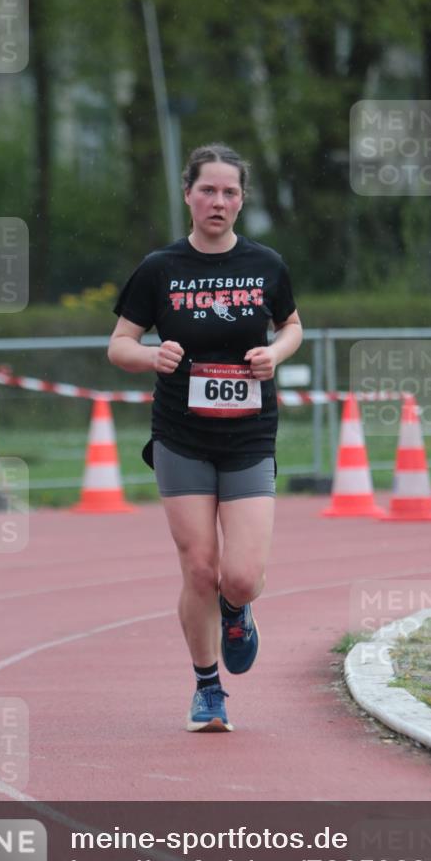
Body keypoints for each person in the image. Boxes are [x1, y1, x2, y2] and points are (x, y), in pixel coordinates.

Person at [108, 143, 303, 732]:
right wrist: (151, 356)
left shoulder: (266, 264)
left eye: (230, 192)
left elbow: (292, 326)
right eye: (208, 190)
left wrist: (275, 353)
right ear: (188, 195)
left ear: (242, 201)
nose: (218, 201)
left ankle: (236, 610)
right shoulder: (159, 268)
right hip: (181, 435)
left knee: (240, 576)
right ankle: (207, 687)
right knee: (198, 567)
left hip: (249, 435)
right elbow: (119, 344)